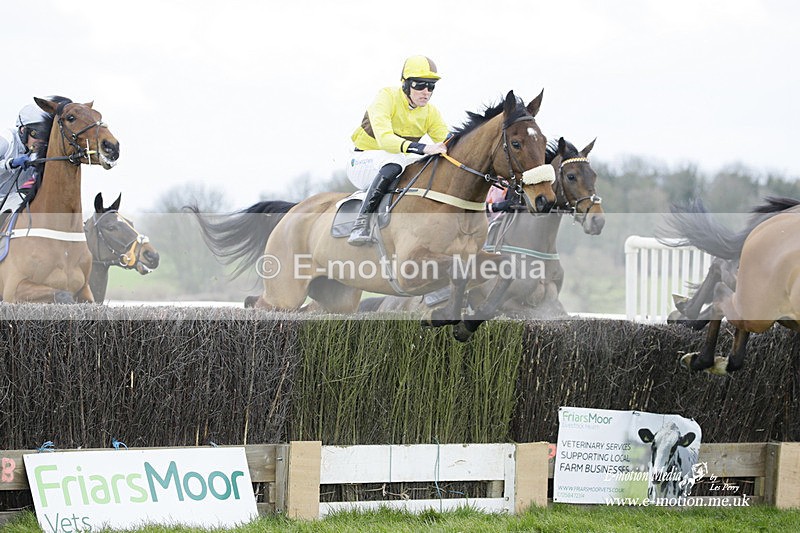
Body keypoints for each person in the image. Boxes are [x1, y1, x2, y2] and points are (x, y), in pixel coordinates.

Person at [346, 55, 450, 245]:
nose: (426, 92)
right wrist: (424, 148)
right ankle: (360, 224)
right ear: (406, 84)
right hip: (362, 161)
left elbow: (449, 142)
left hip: (397, 159)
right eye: (420, 85)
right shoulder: (386, 97)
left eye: (431, 86)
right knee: (394, 163)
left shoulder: (431, 113)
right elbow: (385, 140)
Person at [0, 102, 53, 214]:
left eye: (45, 135)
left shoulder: (37, 151)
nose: (41, 140)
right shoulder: (6, 139)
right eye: (37, 134)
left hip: (8, 197)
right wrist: (9, 164)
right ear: (23, 131)